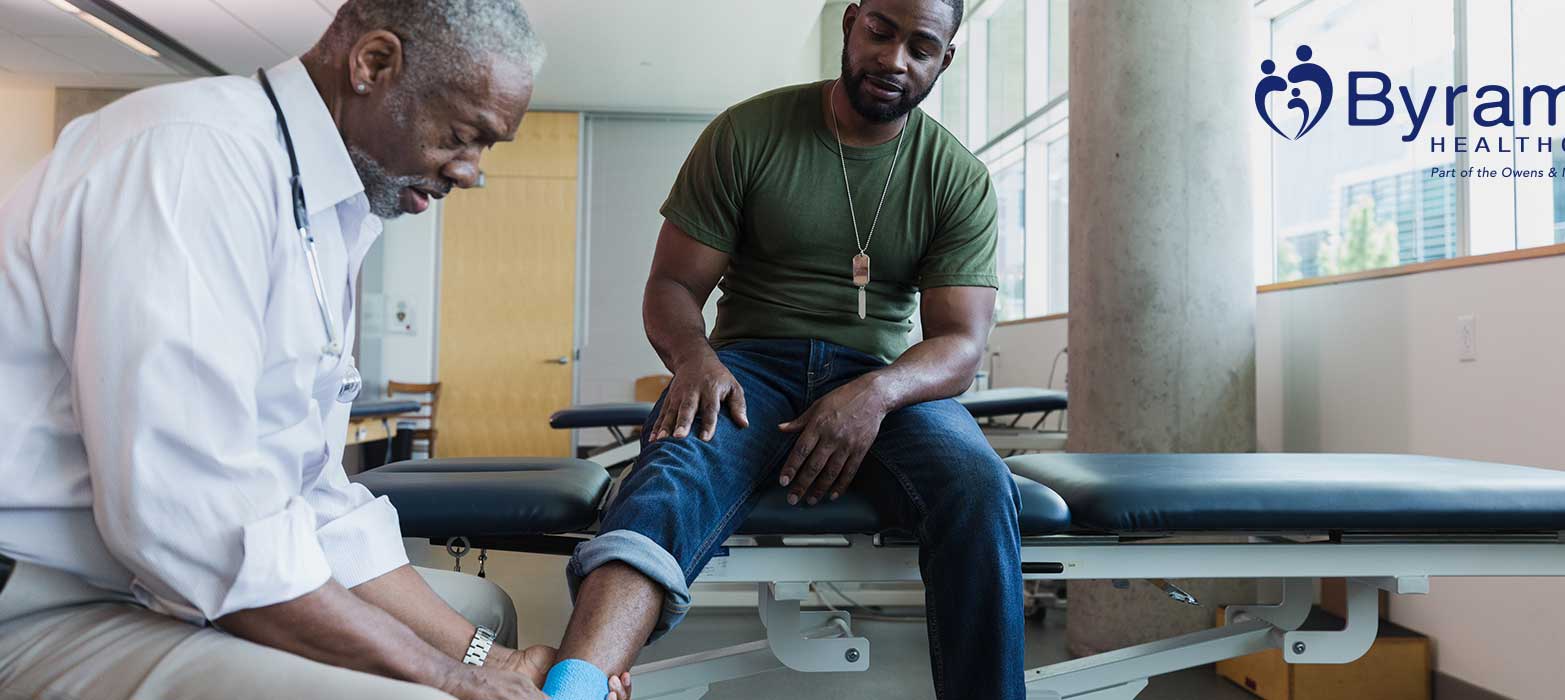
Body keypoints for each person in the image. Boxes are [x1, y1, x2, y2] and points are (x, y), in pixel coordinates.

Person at [0, 2, 626, 698]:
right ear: (374, 64)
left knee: (484, 617)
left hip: (149, 584)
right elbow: (196, 524)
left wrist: (491, 662)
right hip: (44, 605)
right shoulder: (197, 156)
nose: (472, 173)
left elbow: (312, 494)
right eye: (462, 135)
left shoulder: (329, 215)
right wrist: (445, 674)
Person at [535, 1, 1027, 698]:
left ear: (943, 60)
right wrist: (695, 360)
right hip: (748, 369)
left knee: (980, 486)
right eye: (881, 32)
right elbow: (672, 284)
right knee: (673, 471)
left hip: (882, 379)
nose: (894, 59)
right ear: (851, 23)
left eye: (920, 47)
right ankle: (574, 689)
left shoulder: (956, 177)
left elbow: (959, 342)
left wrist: (878, 394)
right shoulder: (748, 133)